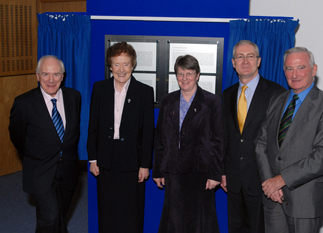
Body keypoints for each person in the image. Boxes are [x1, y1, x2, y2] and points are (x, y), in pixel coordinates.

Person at [255, 47, 323, 233]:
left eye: (301, 67)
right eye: (289, 69)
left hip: (304, 203)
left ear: (314, 70)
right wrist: (270, 182)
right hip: (273, 200)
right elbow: (261, 143)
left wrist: (280, 180)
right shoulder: (277, 100)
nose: (294, 74)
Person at [9, 55, 81, 233]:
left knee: (59, 216)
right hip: (40, 169)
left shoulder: (74, 97)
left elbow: (73, 133)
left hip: (68, 169)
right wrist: (35, 154)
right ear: (37, 76)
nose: (51, 80)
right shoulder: (24, 103)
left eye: (56, 74)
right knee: (50, 217)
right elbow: (17, 136)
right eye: (45, 74)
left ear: (63, 76)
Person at [87, 42, 154, 233]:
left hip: (133, 160)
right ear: (110, 66)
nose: (121, 69)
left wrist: (145, 164)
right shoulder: (100, 89)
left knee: (131, 211)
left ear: (133, 65)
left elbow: (148, 131)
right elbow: (93, 126)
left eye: (125, 64)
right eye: (117, 64)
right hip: (105, 158)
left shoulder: (144, 92)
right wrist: (93, 158)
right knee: (107, 209)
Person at [153, 54, 223, 233]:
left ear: (198, 75)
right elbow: (160, 138)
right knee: (174, 222)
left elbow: (217, 140)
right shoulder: (168, 101)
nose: (185, 78)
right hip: (173, 172)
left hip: (201, 173)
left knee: (199, 222)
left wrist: (215, 174)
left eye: (189, 73)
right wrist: (158, 170)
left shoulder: (212, 102)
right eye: (180, 74)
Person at [221, 40, 285, 233]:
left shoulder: (277, 93)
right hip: (233, 180)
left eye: (250, 56)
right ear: (233, 63)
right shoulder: (227, 94)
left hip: (262, 180)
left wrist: (276, 177)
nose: (245, 61)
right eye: (240, 56)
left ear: (259, 61)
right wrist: (223, 171)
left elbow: (280, 142)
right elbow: (225, 136)